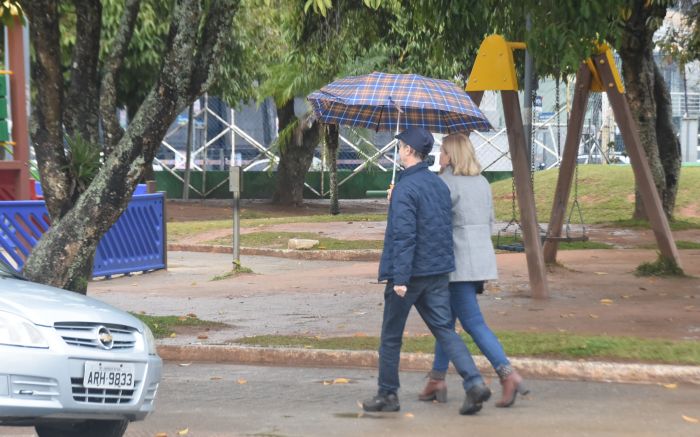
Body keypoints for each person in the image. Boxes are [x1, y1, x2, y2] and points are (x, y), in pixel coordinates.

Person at [362, 127, 491, 416]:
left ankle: (387, 394)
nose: (398, 150)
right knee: (445, 330)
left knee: (391, 335)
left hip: (408, 274)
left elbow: (405, 235)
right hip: (436, 272)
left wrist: (401, 279)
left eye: (400, 146)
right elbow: (439, 227)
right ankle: (474, 382)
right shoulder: (437, 184)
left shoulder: (407, 188)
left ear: (409, 150)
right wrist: (395, 199)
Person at [418, 132, 528, 408]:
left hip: (456, 262)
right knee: (446, 323)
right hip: (480, 259)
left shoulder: (444, 183)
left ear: (452, 155)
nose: (439, 156)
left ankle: (507, 373)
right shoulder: (482, 183)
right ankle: (437, 379)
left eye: (443, 152)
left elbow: (433, 224)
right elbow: (490, 220)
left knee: (471, 322)